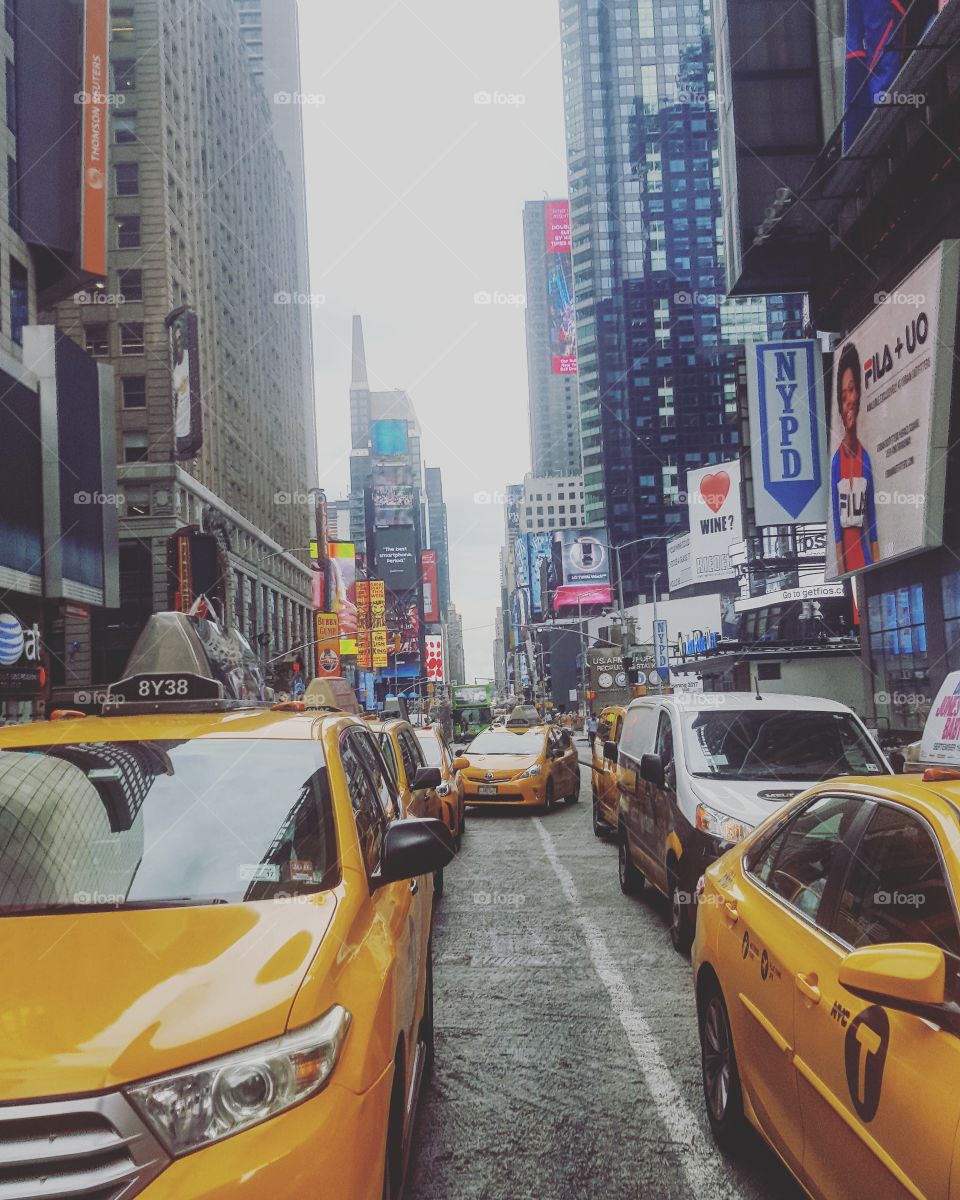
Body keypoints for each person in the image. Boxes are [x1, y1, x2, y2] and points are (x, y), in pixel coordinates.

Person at [831, 342, 880, 574]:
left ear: (858, 394)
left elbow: (873, 521)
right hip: (848, 567)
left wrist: (877, 566)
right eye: (843, 396)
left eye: (852, 390)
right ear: (840, 407)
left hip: (866, 561)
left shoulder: (865, 459)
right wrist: (842, 571)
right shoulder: (836, 463)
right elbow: (837, 527)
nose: (849, 400)